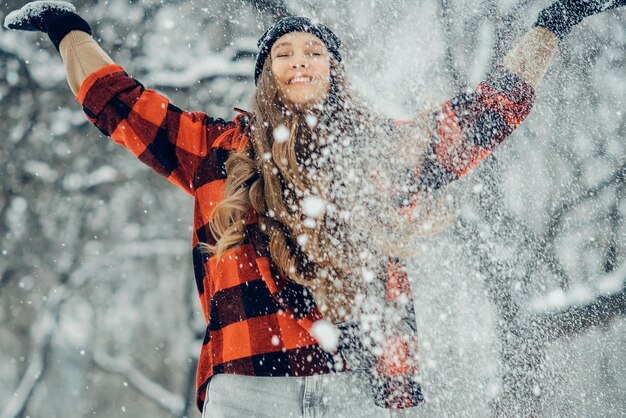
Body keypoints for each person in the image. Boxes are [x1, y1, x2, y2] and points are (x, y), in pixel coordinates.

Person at [5, 1, 624, 416]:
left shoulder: (383, 151)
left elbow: (490, 112)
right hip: (250, 383)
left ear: (334, 72)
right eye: (284, 53)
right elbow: (120, 104)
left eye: (315, 52)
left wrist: (553, 25)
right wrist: (69, 30)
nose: (299, 60)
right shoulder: (218, 150)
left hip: (356, 381)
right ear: (265, 75)